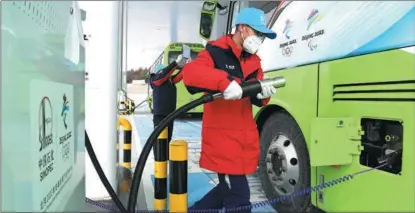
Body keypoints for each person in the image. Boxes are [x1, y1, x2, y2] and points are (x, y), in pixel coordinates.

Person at [181, 8, 278, 212]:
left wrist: (263, 95)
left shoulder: (254, 62)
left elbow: (257, 99)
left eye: (263, 36)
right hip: (223, 142)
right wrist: (223, 83)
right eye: (257, 33)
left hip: (244, 142)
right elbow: (190, 74)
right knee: (239, 198)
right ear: (242, 28)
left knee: (226, 192)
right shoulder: (215, 52)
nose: (260, 39)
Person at [149, 54, 189, 142]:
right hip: (160, 115)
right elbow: (164, 74)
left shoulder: (169, 80)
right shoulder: (156, 79)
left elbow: (179, 75)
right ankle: (159, 156)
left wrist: (187, 65)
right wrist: (175, 62)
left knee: (167, 139)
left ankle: (165, 155)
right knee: (160, 140)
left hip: (170, 114)